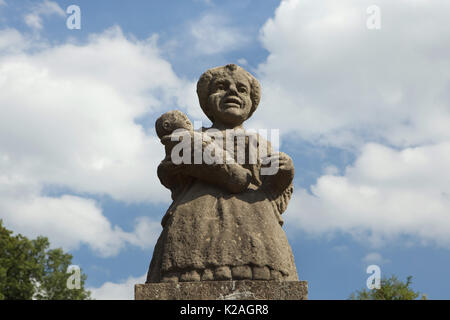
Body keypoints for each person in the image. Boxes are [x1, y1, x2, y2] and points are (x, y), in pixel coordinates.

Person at [147, 64, 298, 283]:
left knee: (262, 279)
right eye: (222, 87)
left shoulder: (259, 143)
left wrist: (285, 170)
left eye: (241, 89)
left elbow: (275, 193)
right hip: (195, 220)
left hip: (255, 222)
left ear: (252, 103)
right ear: (206, 100)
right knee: (186, 278)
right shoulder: (190, 138)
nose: (232, 92)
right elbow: (168, 175)